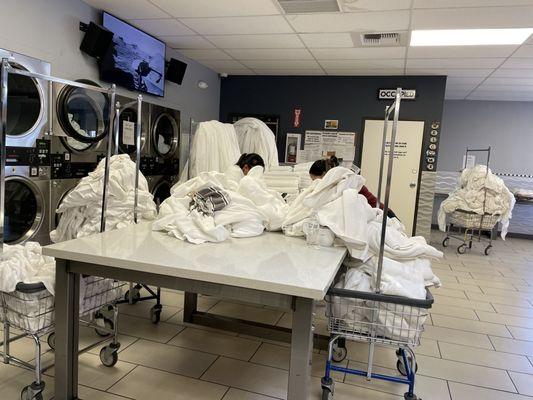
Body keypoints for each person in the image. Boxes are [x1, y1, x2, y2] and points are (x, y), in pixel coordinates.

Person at [309, 156, 398, 219]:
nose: (314, 183)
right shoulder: (339, 182)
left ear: (324, 175)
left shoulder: (346, 183)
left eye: (314, 180)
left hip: (385, 215)